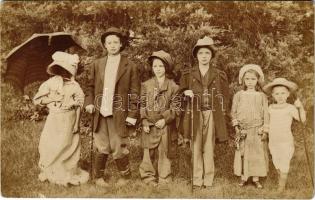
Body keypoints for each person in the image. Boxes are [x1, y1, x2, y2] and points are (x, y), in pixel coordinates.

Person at [84, 27, 140, 187]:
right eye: (109, 42)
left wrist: (132, 114)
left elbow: (135, 93)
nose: (113, 45)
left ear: (121, 44)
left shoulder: (130, 66)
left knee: (118, 146)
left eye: (116, 42)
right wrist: (88, 103)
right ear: (105, 45)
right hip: (100, 112)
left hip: (120, 113)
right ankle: (98, 177)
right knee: (102, 146)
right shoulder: (97, 64)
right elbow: (90, 86)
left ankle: (126, 176)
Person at [178, 36, 230, 189]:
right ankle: (196, 179)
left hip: (212, 114)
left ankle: (208, 178)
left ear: (211, 55)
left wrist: (222, 113)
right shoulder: (188, 74)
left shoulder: (220, 75)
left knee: (209, 146)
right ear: (196, 55)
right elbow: (179, 95)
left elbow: (225, 98)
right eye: (201, 53)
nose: (204, 56)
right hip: (194, 114)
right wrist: (185, 93)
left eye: (207, 53)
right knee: (196, 146)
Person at [33, 51, 89, 186]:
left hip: (69, 118)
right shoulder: (50, 83)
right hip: (54, 118)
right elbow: (37, 99)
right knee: (51, 143)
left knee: (68, 144)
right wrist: (52, 98)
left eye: (67, 70)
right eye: (61, 69)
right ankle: (51, 169)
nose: (64, 73)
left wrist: (76, 124)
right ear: (56, 69)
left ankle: (66, 170)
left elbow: (79, 105)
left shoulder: (75, 86)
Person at [139, 50, 179, 186]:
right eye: (155, 66)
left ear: (166, 68)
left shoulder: (173, 86)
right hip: (149, 123)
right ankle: (148, 177)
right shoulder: (146, 85)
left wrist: (165, 119)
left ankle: (164, 177)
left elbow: (175, 107)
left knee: (164, 151)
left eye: (161, 66)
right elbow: (142, 104)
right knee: (148, 151)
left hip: (165, 125)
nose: (158, 69)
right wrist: (143, 120)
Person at [263, 78, 306, 192]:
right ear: (272, 95)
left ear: (288, 94)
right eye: (277, 94)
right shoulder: (270, 108)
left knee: (285, 162)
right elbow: (266, 122)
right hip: (273, 141)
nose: (280, 96)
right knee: (276, 161)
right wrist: (263, 131)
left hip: (286, 141)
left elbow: (302, 120)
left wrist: (300, 107)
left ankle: (281, 187)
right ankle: (280, 178)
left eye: (283, 93)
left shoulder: (290, 108)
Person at [231, 64, 269, 189]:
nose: (250, 82)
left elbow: (266, 114)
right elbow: (233, 112)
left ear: (258, 80)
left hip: (257, 129)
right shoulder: (239, 95)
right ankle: (243, 177)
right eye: (247, 79)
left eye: (253, 79)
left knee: (256, 154)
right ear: (243, 80)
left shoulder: (262, 96)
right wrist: (236, 126)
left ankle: (256, 178)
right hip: (243, 130)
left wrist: (265, 129)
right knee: (242, 153)